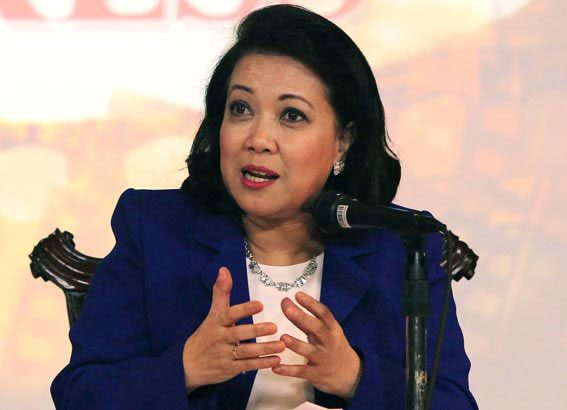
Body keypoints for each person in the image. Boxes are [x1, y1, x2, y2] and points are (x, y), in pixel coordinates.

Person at [51, 5, 478, 410]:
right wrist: (184, 368)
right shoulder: (155, 231)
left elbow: (453, 403)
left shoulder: (402, 250)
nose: (257, 139)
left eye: (291, 115)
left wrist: (355, 377)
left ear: (342, 143)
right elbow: (80, 394)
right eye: (241, 109)